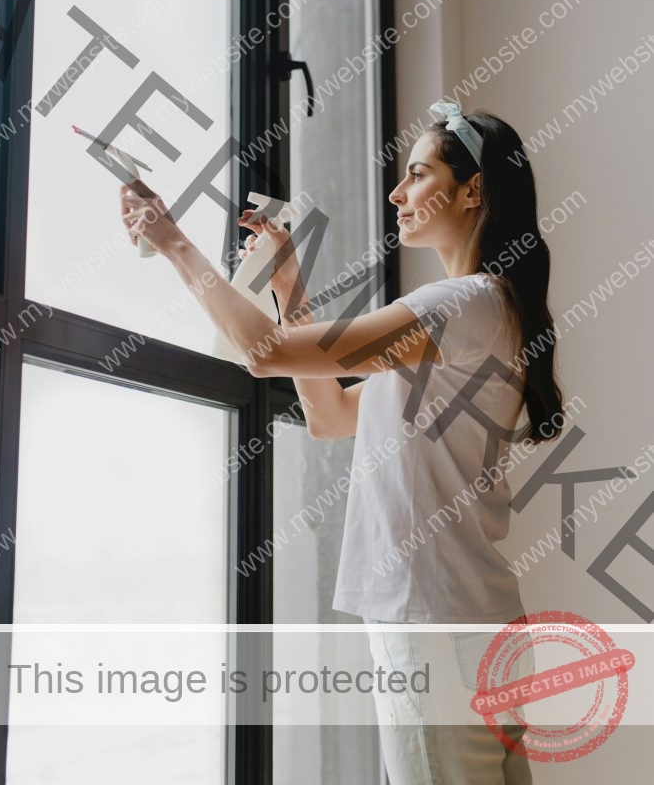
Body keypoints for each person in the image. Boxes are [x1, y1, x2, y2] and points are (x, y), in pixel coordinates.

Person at [119, 102, 563, 784]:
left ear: (473, 190)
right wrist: (291, 288)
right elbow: (330, 415)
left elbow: (263, 356)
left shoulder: (457, 305)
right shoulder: (481, 311)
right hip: (472, 623)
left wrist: (174, 241)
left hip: (433, 624)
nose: (396, 193)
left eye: (417, 175)